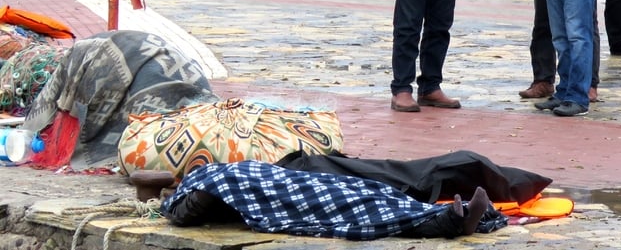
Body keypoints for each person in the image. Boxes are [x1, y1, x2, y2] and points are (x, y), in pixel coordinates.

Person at [161, 160, 494, 240]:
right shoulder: (194, 192)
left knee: (364, 191)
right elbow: (190, 209)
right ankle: (445, 221)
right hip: (281, 198)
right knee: (349, 210)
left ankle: (443, 213)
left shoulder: (204, 173)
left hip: (293, 182)